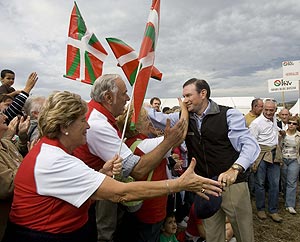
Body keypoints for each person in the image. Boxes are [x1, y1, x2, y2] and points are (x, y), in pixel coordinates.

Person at [3, 91, 222, 242]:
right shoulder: (55, 160)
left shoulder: (51, 151)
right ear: (64, 127)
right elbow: (122, 193)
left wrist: (100, 174)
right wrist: (179, 184)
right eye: (82, 120)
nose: (87, 125)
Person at [72, 74, 203, 242]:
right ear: (108, 97)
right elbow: (138, 169)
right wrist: (170, 138)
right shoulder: (99, 124)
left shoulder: (102, 120)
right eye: (124, 94)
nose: (127, 98)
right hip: (132, 207)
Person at [146, 78, 260, 242]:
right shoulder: (184, 117)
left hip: (232, 184)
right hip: (205, 186)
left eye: (188, 95)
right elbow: (156, 117)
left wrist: (235, 169)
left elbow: (249, 144)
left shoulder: (228, 114)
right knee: (212, 235)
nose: (184, 100)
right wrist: (137, 101)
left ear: (203, 93)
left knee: (243, 233)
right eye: (183, 96)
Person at [115, 99, 188, 242]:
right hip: (152, 208)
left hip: (141, 207)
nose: (150, 122)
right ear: (136, 125)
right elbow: (180, 135)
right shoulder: (145, 145)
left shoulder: (130, 144)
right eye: (145, 119)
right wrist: (184, 110)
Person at [249, 99, 283, 223]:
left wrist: (280, 132)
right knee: (260, 183)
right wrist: (253, 160)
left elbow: (274, 131)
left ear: (275, 110)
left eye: (271, 110)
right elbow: (251, 142)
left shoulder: (274, 120)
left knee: (275, 184)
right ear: (263, 109)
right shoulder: (256, 123)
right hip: (262, 155)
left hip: (274, 154)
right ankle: (261, 209)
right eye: (266, 110)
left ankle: (273, 211)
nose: (268, 112)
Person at [0, 112, 30, 241]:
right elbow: (7, 187)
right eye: (0, 113)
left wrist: (22, 137)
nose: (6, 116)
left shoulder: (6, 143)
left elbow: (19, 154)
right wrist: (32, 160)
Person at [279, 116, 300, 214]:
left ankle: (290, 205)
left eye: (294, 123)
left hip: (294, 160)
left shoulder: (298, 136)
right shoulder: (282, 134)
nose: (291, 125)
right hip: (283, 159)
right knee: (284, 181)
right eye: (290, 123)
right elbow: (278, 146)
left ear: (297, 125)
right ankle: (285, 197)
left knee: (292, 182)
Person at [244, 98, 263, 198]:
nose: (262, 109)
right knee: (251, 175)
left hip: (263, 152)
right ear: (254, 106)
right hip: (251, 152)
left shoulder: (264, 118)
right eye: (261, 107)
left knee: (260, 177)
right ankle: (250, 195)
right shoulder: (246, 119)